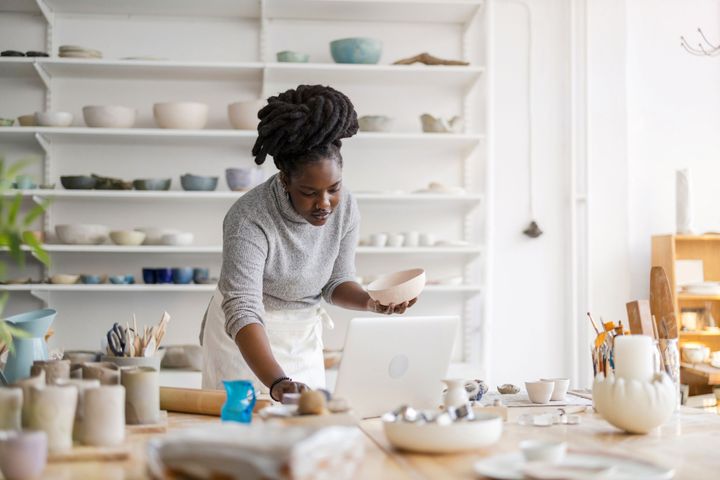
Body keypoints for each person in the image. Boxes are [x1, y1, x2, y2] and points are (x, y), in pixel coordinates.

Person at [200, 84, 417, 402]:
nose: (325, 204)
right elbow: (242, 308)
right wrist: (277, 381)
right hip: (244, 341)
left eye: (334, 188)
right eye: (310, 192)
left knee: (308, 435)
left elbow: (336, 282)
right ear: (285, 180)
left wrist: (372, 302)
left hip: (302, 336)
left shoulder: (346, 208)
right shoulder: (248, 218)